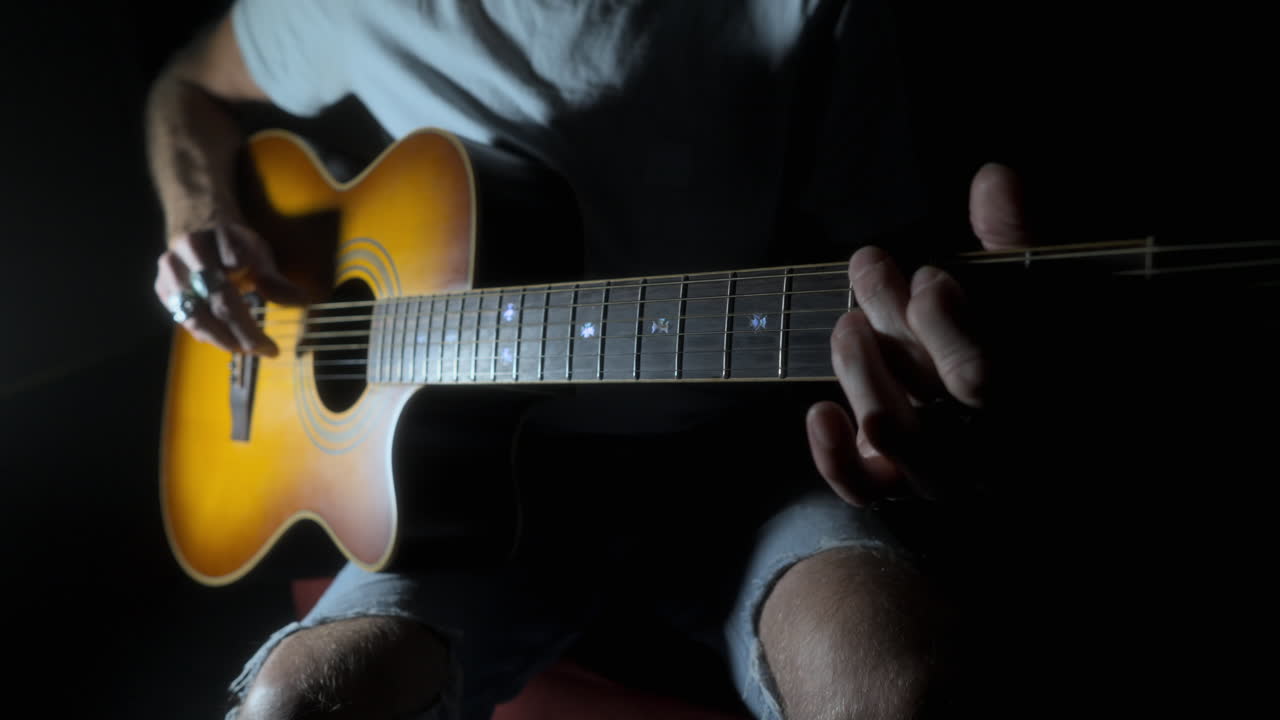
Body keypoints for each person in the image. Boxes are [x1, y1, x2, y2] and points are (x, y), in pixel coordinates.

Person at [147, 2, 1049, 718]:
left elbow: (877, 256)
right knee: (291, 707)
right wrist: (197, 214)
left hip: (743, 461)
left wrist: (917, 398)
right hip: (460, 489)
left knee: (892, 692)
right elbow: (187, 87)